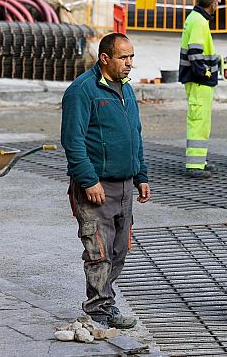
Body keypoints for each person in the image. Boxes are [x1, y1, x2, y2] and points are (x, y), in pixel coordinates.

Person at [61, 32, 151, 329]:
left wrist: (141, 175)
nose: (129, 63)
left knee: (119, 250)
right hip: (96, 186)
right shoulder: (82, 91)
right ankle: (99, 307)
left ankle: (104, 300)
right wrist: (88, 181)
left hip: (124, 185)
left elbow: (134, 134)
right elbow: (72, 142)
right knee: (98, 250)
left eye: (131, 57)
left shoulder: (126, 89)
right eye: (124, 57)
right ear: (105, 58)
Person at [179, 0, 222, 179]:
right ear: (213, 3)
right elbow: (195, 52)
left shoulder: (197, 19)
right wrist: (205, 73)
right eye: (218, 0)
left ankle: (200, 160)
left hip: (199, 80)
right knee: (198, 122)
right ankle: (195, 165)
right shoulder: (199, 22)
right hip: (199, 81)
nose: (219, 3)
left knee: (202, 122)